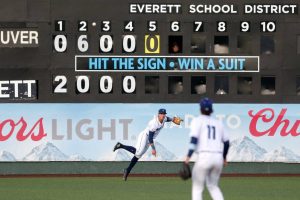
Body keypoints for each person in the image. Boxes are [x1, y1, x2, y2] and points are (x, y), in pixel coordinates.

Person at [113, 108, 181, 181]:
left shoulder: (164, 118)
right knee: (138, 152)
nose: (163, 115)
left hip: (149, 139)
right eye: (161, 114)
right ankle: (120, 145)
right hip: (145, 136)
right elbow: (150, 138)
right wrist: (153, 149)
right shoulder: (154, 123)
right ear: (158, 114)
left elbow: (167, 119)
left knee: (138, 156)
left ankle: (127, 170)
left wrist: (173, 119)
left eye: (164, 114)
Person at [184, 98, 230, 200]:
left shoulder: (197, 121)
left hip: (204, 157)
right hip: (218, 157)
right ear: (211, 109)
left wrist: (188, 156)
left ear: (200, 109)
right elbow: (226, 142)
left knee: (197, 188)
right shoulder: (219, 123)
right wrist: (224, 157)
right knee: (213, 186)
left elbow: (194, 140)